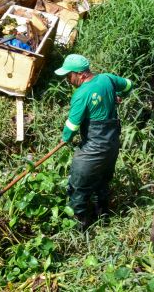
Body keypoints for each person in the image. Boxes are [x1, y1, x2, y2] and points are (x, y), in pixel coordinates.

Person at [54, 54, 133, 230]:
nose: (67, 79)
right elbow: (128, 85)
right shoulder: (108, 79)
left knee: (78, 184)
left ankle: (79, 227)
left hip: (94, 147)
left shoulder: (81, 94)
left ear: (80, 74)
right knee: (102, 181)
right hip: (112, 144)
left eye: (69, 75)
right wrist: (119, 95)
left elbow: (72, 126)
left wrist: (64, 139)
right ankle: (103, 218)